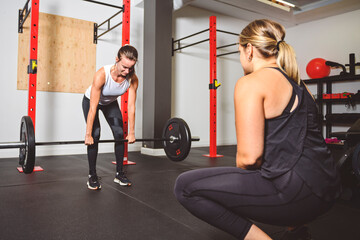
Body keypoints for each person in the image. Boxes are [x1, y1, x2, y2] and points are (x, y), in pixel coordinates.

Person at [174, 19, 341, 240]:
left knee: (184, 186)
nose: (241, 58)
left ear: (249, 49)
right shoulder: (300, 84)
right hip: (328, 189)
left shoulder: (251, 82)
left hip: (296, 194)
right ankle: (297, 232)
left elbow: (248, 159)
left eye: (239, 51)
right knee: (275, 163)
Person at [82, 45, 139, 190]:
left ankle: (120, 174)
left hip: (110, 103)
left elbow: (131, 107)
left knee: (120, 134)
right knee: (95, 134)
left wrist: (131, 132)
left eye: (130, 68)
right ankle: (92, 175)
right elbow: (93, 107)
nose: (127, 71)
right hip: (91, 101)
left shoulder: (132, 79)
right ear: (117, 60)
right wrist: (88, 134)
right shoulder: (102, 74)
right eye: (124, 67)